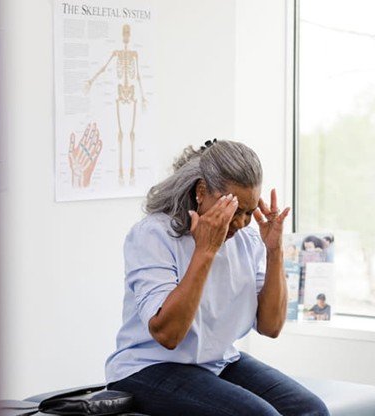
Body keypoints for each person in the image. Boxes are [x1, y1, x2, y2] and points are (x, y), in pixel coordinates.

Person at [105, 139, 329, 416]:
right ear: (202, 191)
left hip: (216, 362)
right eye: (234, 211)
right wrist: (205, 250)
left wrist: (274, 251)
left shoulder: (247, 239)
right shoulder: (153, 235)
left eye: (249, 212)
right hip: (148, 367)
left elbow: (271, 326)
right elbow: (168, 334)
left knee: (311, 410)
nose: (241, 222)